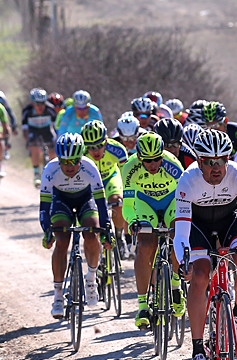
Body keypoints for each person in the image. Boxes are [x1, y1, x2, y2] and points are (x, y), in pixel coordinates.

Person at [175, 129, 237, 360]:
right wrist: (184, 260)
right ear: (198, 161)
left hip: (229, 223)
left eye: (222, 161)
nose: (216, 168)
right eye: (209, 162)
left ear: (228, 160)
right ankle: (197, 351)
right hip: (198, 227)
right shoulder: (187, 179)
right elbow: (181, 231)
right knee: (200, 276)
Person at [39, 133, 112, 317]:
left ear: (81, 158)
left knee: (92, 232)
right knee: (62, 239)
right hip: (61, 201)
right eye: (65, 161)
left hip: (85, 200)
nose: (70, 166)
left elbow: (102, 205)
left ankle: (91, 279)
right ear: (59, 159)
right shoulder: (50, 170)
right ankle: (57, 296)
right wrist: (47, 232)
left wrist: (105, 230)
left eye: (74, 161)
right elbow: (44, 208)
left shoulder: (90, 167)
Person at [120, 132, 185, 330]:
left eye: (157, 158)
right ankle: (142, 306)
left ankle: (175, 284)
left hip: (171, 201)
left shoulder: (173, 165)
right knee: (145, 245)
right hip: (145, 203)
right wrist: (132, 221)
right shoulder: (130, 168)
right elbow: (128, 204)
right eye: (148, 160)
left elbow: (185, 198)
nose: (154, 164)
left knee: (177, 233)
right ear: (139, 157)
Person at [81, 119, 127, 233]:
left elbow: (126, 175)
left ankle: (119, 234)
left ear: (106, 141)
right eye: (91, 147)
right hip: (90, 183)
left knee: (117, 201)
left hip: (111, 178)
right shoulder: (81, 153)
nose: (95, 151)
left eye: (99, 145)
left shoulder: (117, 149)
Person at [22, 88, 58, 185]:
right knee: (34, 146)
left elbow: (55, 127)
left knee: (53, 148)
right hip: (34, 130)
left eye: (42, 103)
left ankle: (53, 172)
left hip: (46, 129)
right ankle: (36, 174)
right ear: (32, 103)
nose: (40, 107)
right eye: (38, 104)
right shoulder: (27, 111)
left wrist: (56, 139)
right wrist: (27, 141)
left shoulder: (50, 109)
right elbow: (24, 129)